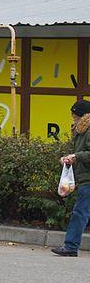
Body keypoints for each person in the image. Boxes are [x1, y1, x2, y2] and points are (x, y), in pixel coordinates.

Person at [51, 99, 90, 257]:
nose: (73, 118)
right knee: (81, 212)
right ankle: (71, 246)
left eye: (74, 116)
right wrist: (69, 159)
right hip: (85, 177)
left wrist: (75, 156)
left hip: (88, 179)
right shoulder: (82, 130)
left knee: (80, 212)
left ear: (82, 115)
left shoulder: (88, 130)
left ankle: (71, 247)